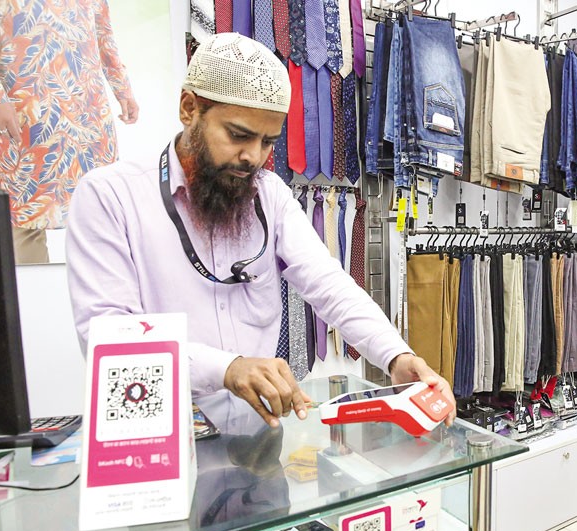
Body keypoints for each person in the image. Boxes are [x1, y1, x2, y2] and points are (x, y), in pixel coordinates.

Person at [66, 32, 454, 428]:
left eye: (268, 142)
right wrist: (227, 368)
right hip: (156, 429)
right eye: (238, 135)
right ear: (189, 108)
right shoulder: (109, 197)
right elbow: (109, 337)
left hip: (257, 430)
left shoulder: (269, 194)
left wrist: (396, 356)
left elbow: (330, 285)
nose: (253, 156)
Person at [0, 0, 139, 264]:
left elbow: (102, 29)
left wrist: (122, 86)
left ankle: (105, 286)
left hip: (87, 108)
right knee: (21, 218)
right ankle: (29, 291)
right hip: (26, 110)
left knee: (99, 208)